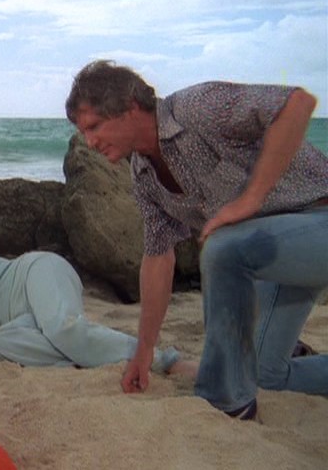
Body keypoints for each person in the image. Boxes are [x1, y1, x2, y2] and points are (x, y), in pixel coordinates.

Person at [64, 59, 328, 420]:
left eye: (94, 126)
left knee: (223, 248)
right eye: (84, 133)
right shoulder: (143, 175)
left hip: (318, 217)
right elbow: (158, 257)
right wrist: (144, 351)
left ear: (130, 106)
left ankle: (225, 402)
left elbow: (297, 103)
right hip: (279, 256)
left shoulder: (195, 108)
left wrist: (250, 199)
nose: (89, 142)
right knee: (265, 375)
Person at [0, 236, 198, 378]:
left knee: (61, 328)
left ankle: (166, 361)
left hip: (33, 273)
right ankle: (87, 356)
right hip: (20, 318)